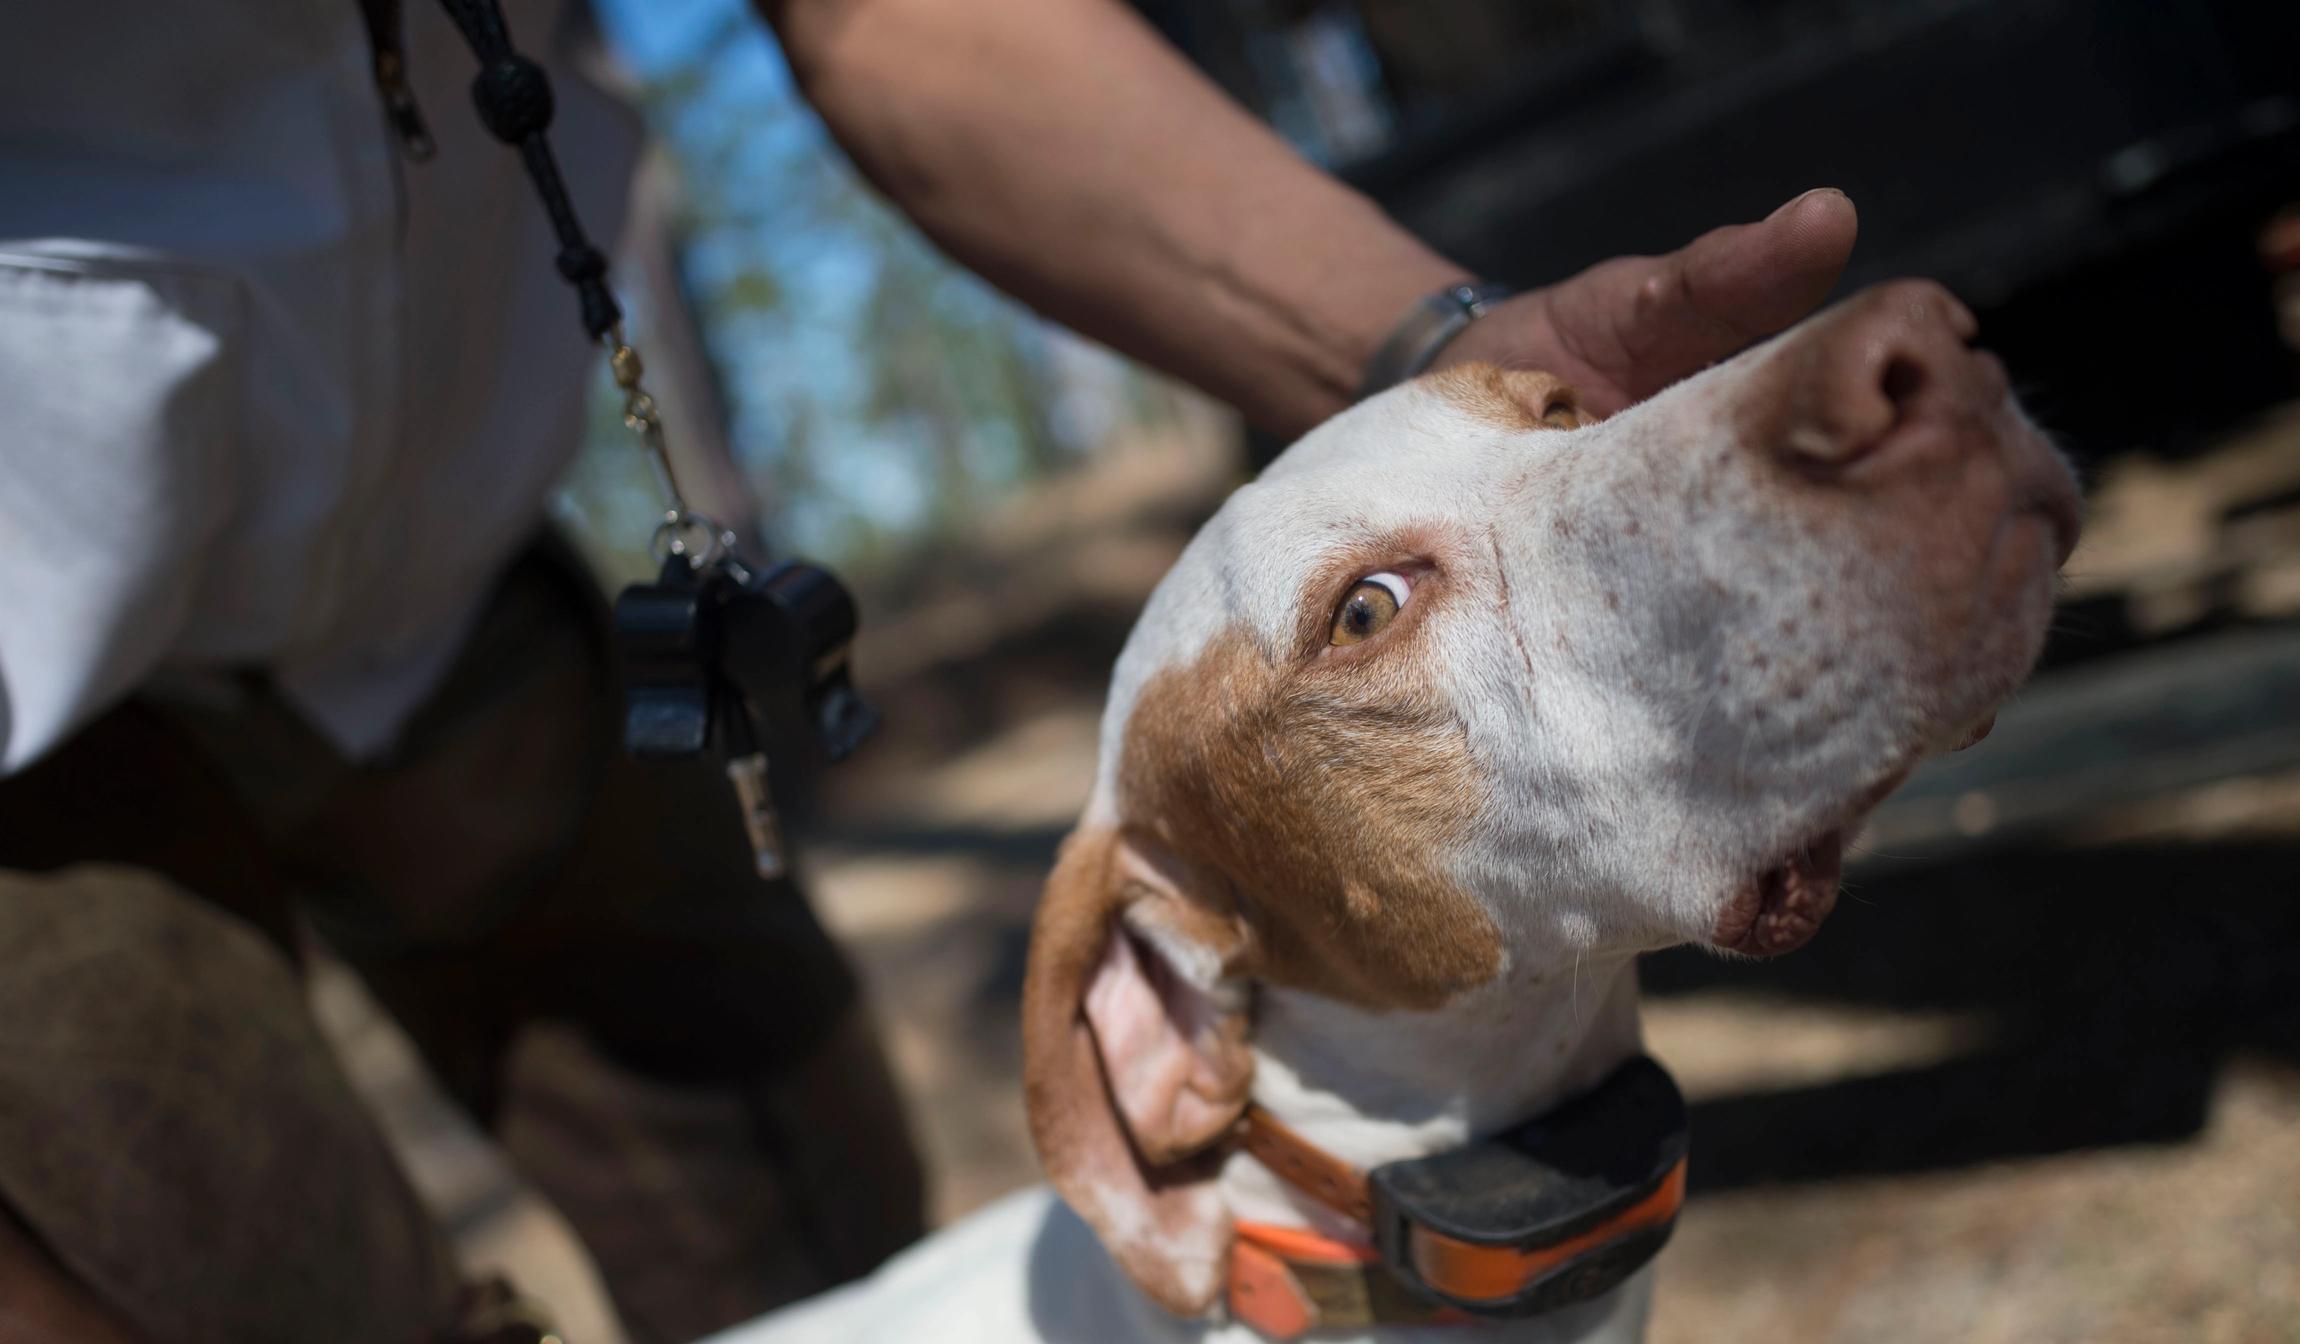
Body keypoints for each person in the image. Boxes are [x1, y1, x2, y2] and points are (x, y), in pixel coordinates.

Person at [0, 0, 1858, 1340]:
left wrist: (1427, 346)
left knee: (801, 1212)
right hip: (30, 714)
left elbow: (900, 17)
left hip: (445, 574)